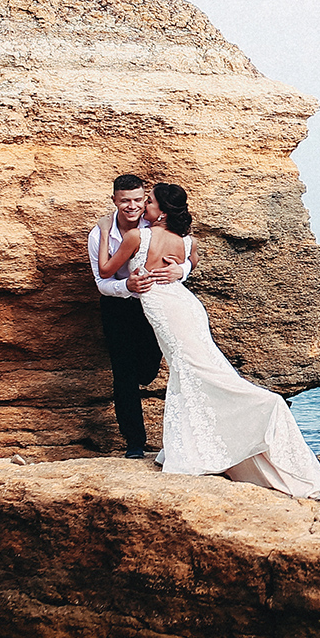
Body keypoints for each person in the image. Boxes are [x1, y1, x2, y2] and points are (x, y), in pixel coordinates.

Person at [98, 183, 320, 499]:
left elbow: (105, 270)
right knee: (193, 369)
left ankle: (249, 416)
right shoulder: (187, 241)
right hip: (184, 306)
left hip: (170, 309)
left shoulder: (137, 236)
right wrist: (183, 268)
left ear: (161, 212)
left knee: (193, 369)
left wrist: (105, 232)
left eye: (149, 201)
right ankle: (194, 444)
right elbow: (192, 259)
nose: (143, 205)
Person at [87, 174, 188, 459]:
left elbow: (188, 250)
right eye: (124, 201)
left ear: (145, 200)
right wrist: (126, 286)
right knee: (124, 375)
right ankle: (134, 443)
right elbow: (102, 281)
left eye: (138, 200)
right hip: (118, 307)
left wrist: (181, 271)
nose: (132, 206)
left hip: (153, 307)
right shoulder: (98, 235)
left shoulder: (154, 224)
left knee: (147, 371)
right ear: (114, 201)